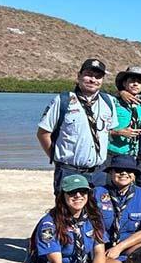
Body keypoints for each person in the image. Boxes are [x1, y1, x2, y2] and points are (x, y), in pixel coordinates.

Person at [37, 58, 118, 190]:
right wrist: (57, 159)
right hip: (69, 171)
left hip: (99, 173)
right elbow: (43, 133)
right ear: (79, 76)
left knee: (99, 210)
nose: (93, 80)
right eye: (88, 75)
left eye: (98, 77)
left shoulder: (108, 101)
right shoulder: (63, 100)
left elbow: (108, 131)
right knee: (67, 210)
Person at [94, 156, 141, 262]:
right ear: (111, 173)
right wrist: (103, 252)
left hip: (128, 246)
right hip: (102, 249)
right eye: (119, 170)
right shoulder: (97, 193)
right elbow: (92, 227)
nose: (124, 173)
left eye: (129, 170)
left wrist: (119, 248)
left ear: (134, 176)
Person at [108, 66, 141, 159]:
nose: (136, 84)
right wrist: (118, 132)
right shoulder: (112, 102)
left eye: (140, 82)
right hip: (111, 153)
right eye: (132, 80)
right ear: (124, 83)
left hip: (132, 154)